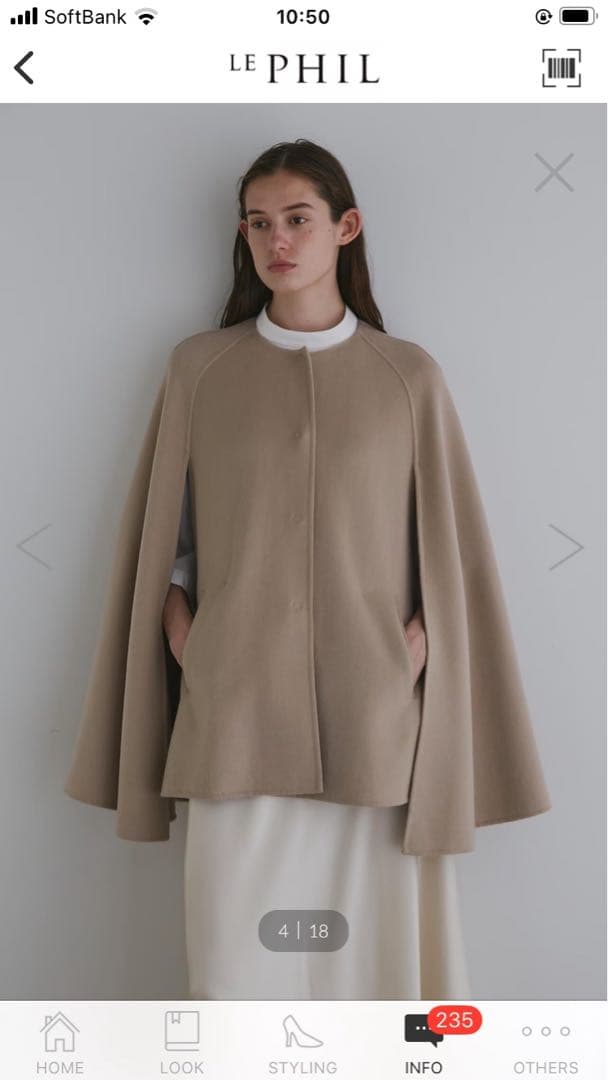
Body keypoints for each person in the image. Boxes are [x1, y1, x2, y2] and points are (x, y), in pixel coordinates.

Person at [162, 139, 471, 999]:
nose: (278, 241)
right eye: (259, 223)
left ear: (347, 226)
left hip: (372, 713)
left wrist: (413, 648)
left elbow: (448, 548)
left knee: (373, 964)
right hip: (235, 709)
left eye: (298, 219)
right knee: (234, 968)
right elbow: (165, 535)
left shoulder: (408, 375)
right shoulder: (200, 369)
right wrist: (189, 638)